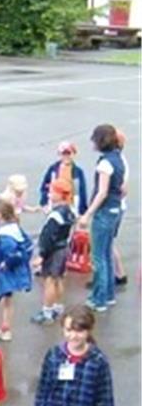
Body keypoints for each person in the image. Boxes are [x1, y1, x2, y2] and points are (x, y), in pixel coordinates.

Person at [79, 123, 126, 312]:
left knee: (98, 257)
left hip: (104, 212)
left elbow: (102, 191)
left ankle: (99, 298)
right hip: (115, 210)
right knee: (106, 254)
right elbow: (122, 188)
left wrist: (87, 214)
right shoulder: (118, 159)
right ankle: (109, 294)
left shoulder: (105, 164)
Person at [30, 179, 76, 326]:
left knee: (49, 280)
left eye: (52, 191)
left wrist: (41, 255)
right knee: (59, 278)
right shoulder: (69, 211)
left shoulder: (55, 216)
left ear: (59, 194)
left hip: (54, 251)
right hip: (64, 248)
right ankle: (57, 306)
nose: (49, 194)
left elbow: (48, 237)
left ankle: (47, 311)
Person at [0, 197, 33, 343]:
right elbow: (27, 246)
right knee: (8, 300)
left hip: (3, 274)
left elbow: (10, 252)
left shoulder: (4, 235)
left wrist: (6, 263)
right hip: (13, 274)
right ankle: (6, 330)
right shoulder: (16, 229)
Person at [39, 141, 88, 216]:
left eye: (69, 154)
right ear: (59, 154)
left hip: (71, 206)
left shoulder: (78, 172)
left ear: (73, 154)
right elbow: (45, 187)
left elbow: (81, 191)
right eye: (63, 154)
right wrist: (44, 203)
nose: (66, 156)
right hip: (55, 206)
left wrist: (82, 211)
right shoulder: (53, 170)